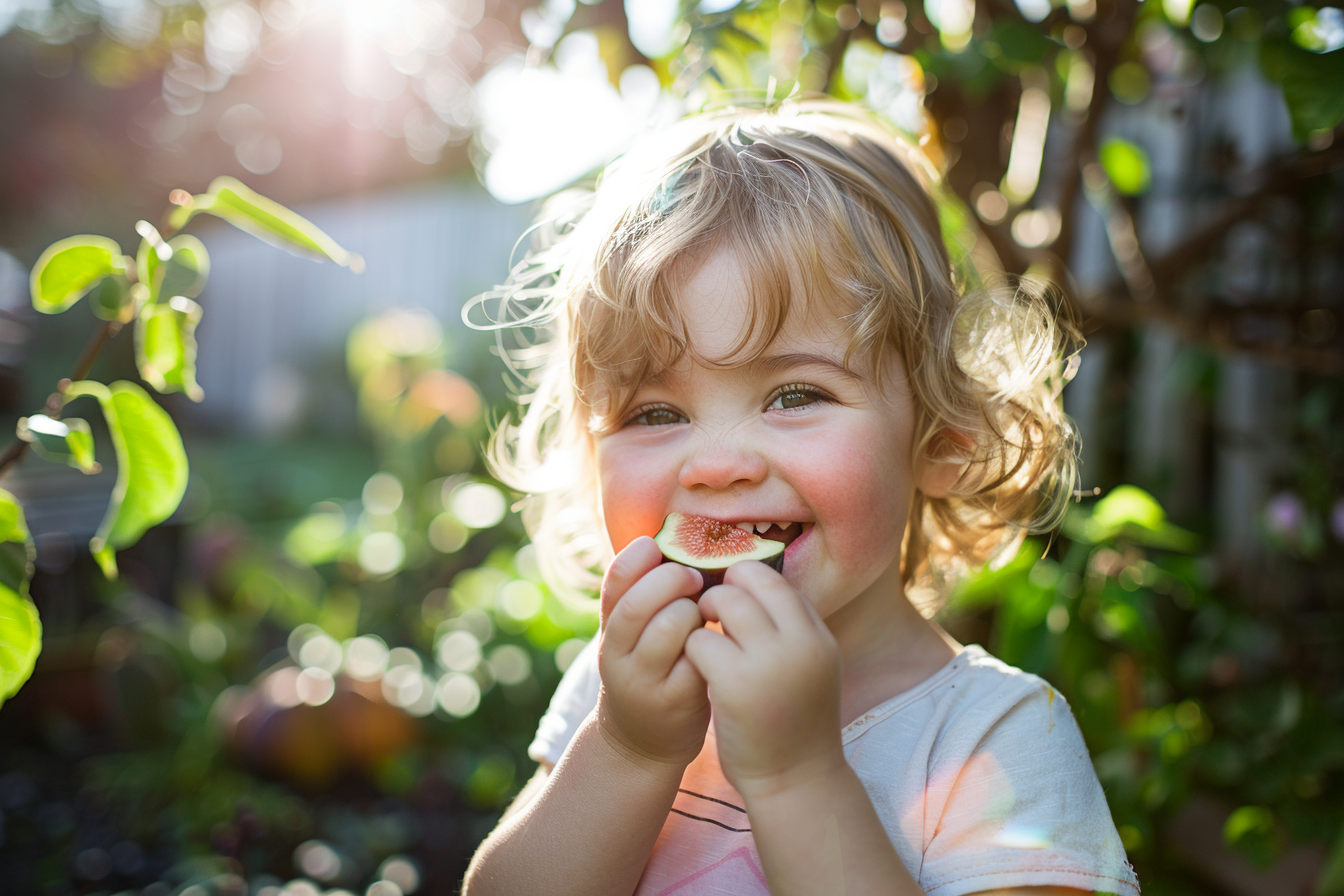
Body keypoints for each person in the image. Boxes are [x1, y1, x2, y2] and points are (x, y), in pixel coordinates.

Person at [459, 98, 1141, 896]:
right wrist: (628, 750)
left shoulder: (997, 740)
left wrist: (798, 778)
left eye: (794, 396)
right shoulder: (624, 689)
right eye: (655, 412)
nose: (716, 465)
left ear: (940, 436)